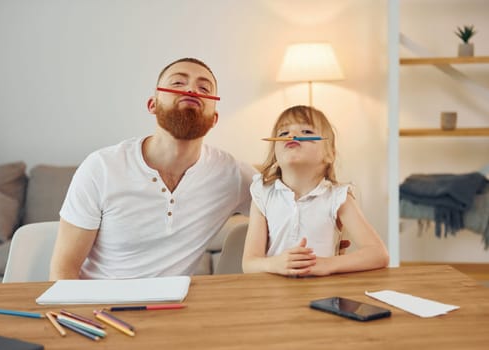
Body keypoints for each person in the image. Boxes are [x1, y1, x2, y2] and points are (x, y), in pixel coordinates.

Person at [49, 58, 256, 280]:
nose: (191, 90)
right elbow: (63, 270)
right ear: (152, 105)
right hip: (100, 308)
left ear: (214, 119)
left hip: (172, 309)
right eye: (178, 83)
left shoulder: (233, 175)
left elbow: (288, 207)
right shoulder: (101, 167)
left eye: (204, 88)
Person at [242, 105, 389, 277]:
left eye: (306, 131)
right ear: (275, 155)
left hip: (323, 297)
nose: (292, 135)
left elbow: (379, 254)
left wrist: (327, 264)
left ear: (329, 155)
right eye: (283, 133)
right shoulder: (262, 193)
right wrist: (275, 264)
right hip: (272, 299)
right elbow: (249, 263)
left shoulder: (338, 197)